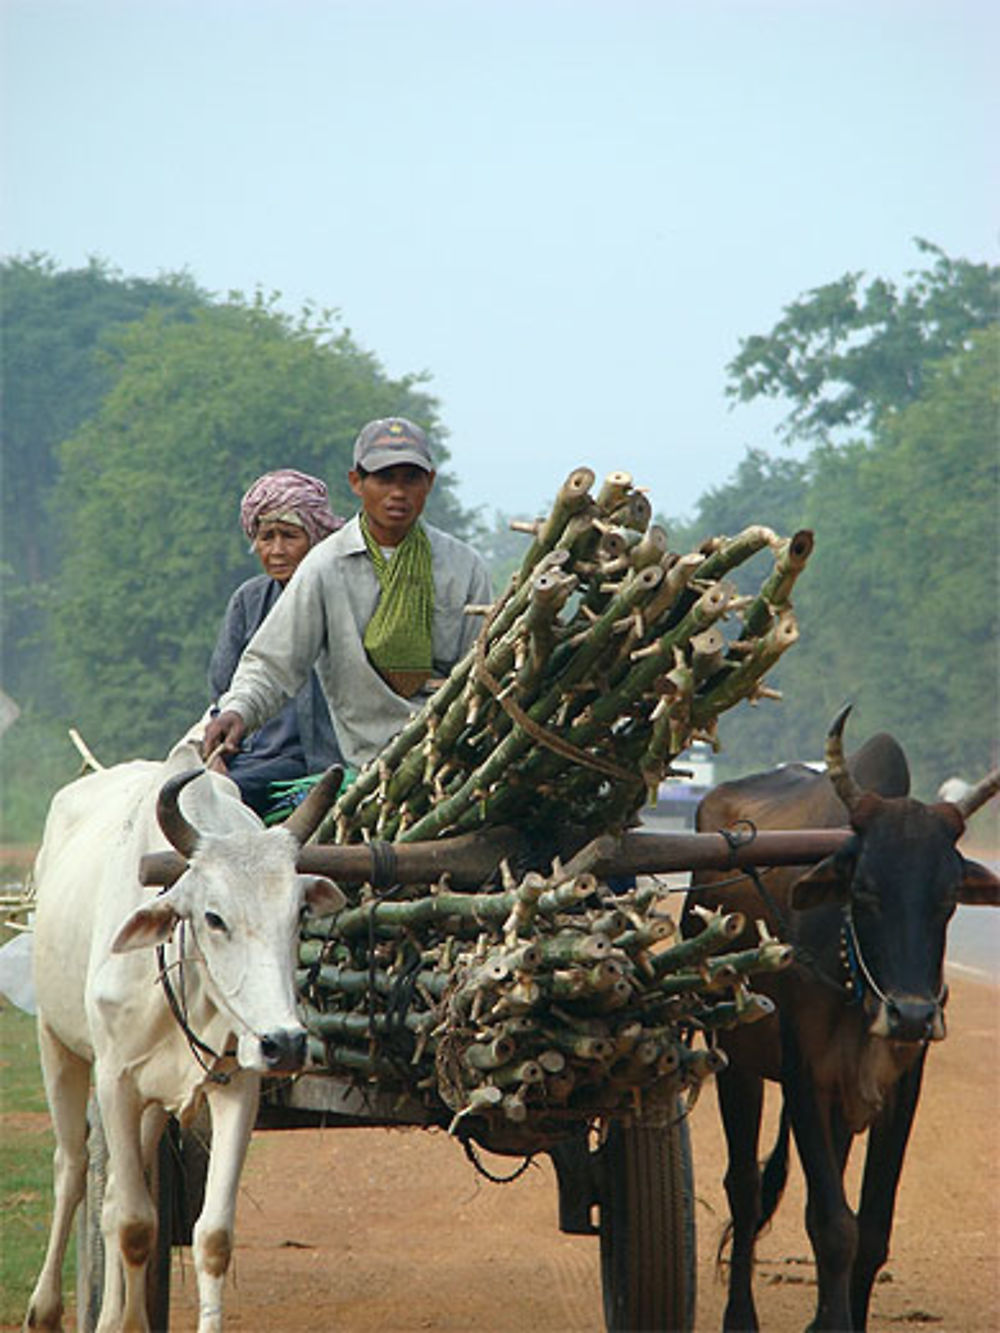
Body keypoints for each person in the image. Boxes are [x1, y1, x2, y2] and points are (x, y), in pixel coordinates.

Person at [204, 418, 492, 775]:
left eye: (410, 479)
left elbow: (482, 672)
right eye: (385, 479)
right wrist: (238, 712)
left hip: (448, 756)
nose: (398, 493)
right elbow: (273, 663)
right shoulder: (325, 567)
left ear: (429, 482)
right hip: (365, 763)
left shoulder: (463, 567)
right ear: (356, 482)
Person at [208, 467, 345, 817]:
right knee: (203, 796)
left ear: (315, 537)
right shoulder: (248, 601)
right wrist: (219, 755)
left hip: (333, 761)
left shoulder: (346, 592)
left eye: (289, 536)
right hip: (262, 759)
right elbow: (224, 693)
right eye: (267, 537)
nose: (277, 550)